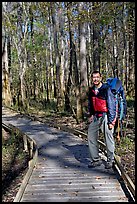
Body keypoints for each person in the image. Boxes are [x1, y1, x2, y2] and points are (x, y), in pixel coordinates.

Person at [87, 70, 117, 169]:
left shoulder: (106, 89)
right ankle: (96, 160)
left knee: (108, 138)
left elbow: (112, 105)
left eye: (97, 77)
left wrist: (111, 121)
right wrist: (91, 114)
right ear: (91, 79)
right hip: (95, 116)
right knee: (91, 136)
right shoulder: (91, 90)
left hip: (106, 115)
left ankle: (110, 160)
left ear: (101, 78)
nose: (95, 79)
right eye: (93, 77)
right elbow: (91, 104)